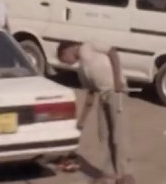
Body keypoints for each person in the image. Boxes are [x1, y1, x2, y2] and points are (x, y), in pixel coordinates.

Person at [57, 41, 135, 184]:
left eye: (64, 59)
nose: (68, 63)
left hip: (115, 90)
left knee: (119, 133)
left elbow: (113, 52)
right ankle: (110, 172)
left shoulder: (89, 45)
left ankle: (125, 173)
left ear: (66, 50)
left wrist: (118, 80)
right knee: (104, 134)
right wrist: (82, 121)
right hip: (103, 95)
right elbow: (90, 94)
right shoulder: (81, 69)